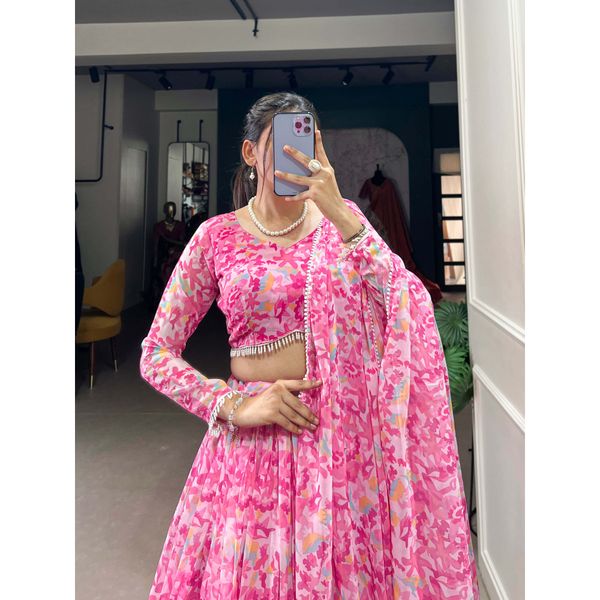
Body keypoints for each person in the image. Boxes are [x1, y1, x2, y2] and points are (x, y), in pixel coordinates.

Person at [139, 92, 480, 599]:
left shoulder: (343, 224)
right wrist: (232, 405)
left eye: (307, 142)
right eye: (282, 143)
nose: (296, 155)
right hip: (254, 447)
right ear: (251, 153)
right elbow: (156, 353)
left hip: (342, 447)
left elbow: (404, 299)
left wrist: (339, 212)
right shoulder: (216, 238)